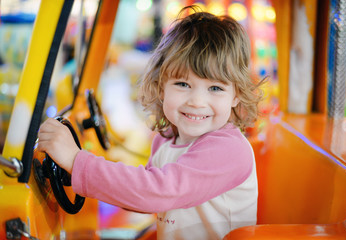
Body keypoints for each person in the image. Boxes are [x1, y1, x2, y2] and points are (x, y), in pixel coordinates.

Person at [38, 6, 265, 240]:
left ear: (236, 95)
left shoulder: (228, 149)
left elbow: (158, 192)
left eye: (215, 88)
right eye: (182, 84)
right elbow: (144, 196)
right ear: (161, 86)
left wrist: (77, 162)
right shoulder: (166, 138)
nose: (197, 102)